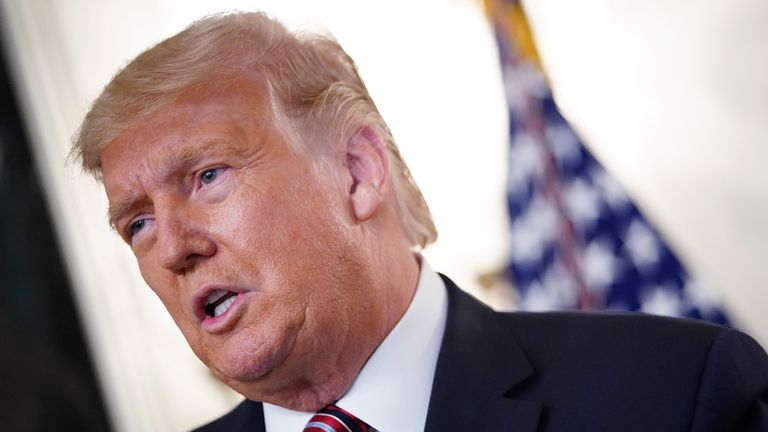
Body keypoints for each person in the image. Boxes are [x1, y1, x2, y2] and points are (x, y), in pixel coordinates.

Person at [72, 11, 768, 432]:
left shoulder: (672, 395)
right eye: (135, 224)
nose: (170, 248)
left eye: (207, 177)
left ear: (356, 170)